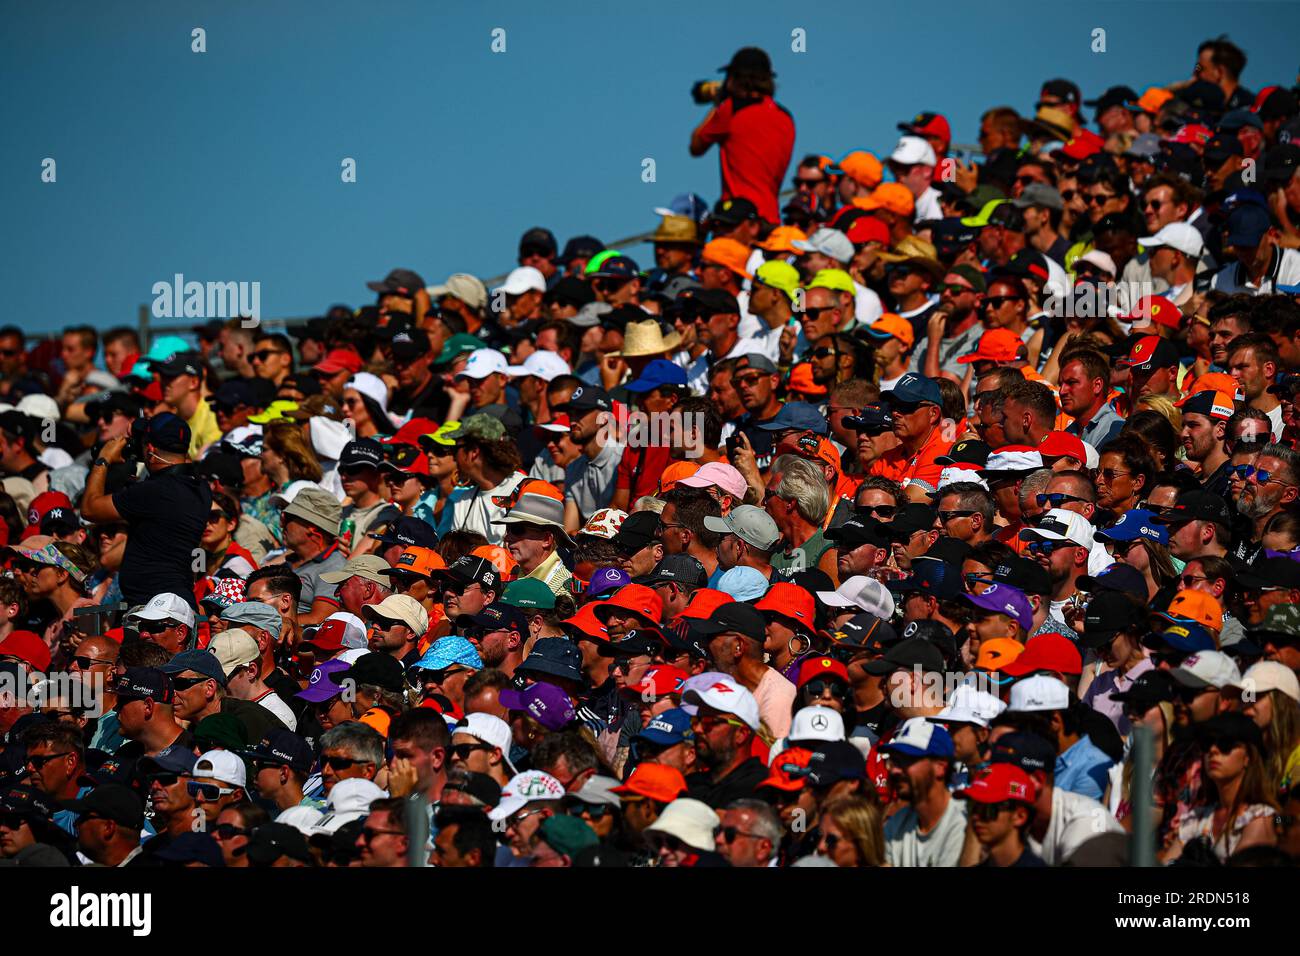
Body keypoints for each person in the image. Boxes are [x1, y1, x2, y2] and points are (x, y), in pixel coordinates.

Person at [80, 413, 211, 608]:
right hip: (175, 600)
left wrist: (103, 459)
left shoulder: (153, 492)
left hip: (152, 607)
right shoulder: (200, 488)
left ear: (150, 449)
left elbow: (89, 509)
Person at [689, 47, 795, 224]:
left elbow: (696, 145)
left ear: (734, 79)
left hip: (736, 219)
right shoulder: (785, 117)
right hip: (770, 218)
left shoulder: (730, 110)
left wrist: (719, 103)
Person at [881, 718, 968, 867]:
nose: (895, 770)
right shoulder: (896, 824)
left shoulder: (962, 823)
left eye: (907, 760)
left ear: (940, 767)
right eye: (894, 761)